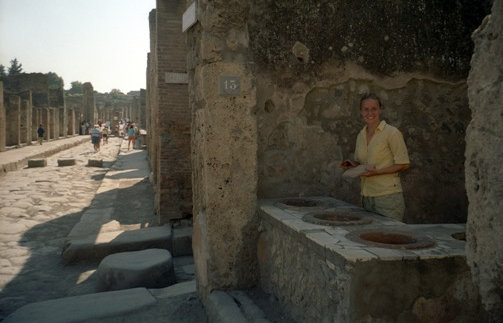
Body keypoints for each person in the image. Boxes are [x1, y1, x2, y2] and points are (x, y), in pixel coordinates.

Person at [341, 93, 410, 221]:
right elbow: (363, 163)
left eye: (374, 108)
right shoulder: (360, 135)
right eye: (366, 109)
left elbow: (404, 164)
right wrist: (352, 164)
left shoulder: (392, 133)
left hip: (387, 198)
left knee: (388, 237)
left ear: (380, 110)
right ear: (361, 111)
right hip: (366, 197)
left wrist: (377, 172)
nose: (370, 113)